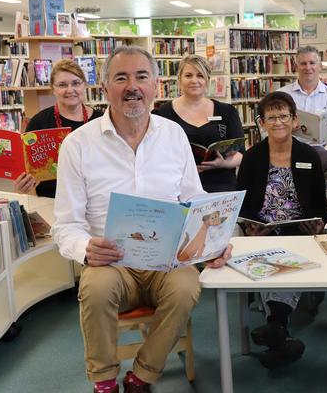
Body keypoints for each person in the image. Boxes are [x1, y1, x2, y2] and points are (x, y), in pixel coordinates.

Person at [51, 46, 231, 393]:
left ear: (156, 86)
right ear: (105, 89)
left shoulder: (173, 135)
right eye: (121, 78)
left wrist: (214, 240)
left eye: (141, 77)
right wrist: (86, 248)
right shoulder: (78, 145)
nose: (132, 86)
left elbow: (194, 200)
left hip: (166, 260)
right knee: (95, 289)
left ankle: (143, 376)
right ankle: (104, 381)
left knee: (187, 287)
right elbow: (65, 225)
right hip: (111, 262)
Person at [236, 91, 327, 369]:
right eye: (271, 117)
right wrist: (250, 226)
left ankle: (275, 325)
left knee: (286, 254)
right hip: (263, 228)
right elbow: (241, 202)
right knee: (266, 253)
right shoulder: (252, 158)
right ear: (261, 123)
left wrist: (319, 221)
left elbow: (320, 202)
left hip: (298, 228)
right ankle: (280, 331)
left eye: (283, 116)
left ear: (295, 120)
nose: (278, 122)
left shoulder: (307, 155)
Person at [153, 54, 243, 192]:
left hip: (221, 186)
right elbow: (154, 155)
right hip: (178, 187)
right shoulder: (161, 114)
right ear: (179, 79)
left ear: (207, 80)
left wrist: (223, 163)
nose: (194, 80)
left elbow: (240, 154)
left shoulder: (227, 112)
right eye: (188, 75)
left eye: (200, 75)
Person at [14, 59, 103, 198]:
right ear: (53, 89)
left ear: (84, 85)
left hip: (95, 201)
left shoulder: (101, 121)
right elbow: (27, 172)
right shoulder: (39, 123)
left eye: (76, 83)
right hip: (52, 202)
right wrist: (23, 186)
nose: (70, 90)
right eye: (62, 85)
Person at [278, 45, 327, 176]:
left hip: (320, 149)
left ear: (319, 66)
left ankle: (318, 197)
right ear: (296, 66)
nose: (308, 67)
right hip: (286, 148)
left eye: (312, 63)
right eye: (303, 63)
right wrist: (286, 129)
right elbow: (265, 128)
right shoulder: (281, 96)